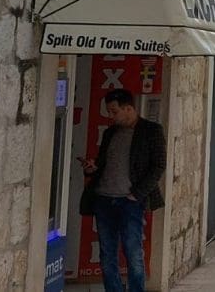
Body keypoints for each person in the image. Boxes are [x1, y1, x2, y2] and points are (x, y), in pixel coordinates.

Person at [79, 89, 166, 292]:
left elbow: (159, 165)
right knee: (107, 253)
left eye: (114, 111)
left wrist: (137, 194)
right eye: (109, 111)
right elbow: (102, 162)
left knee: (133, 252)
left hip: (130, 201)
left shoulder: (151, 131)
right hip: (104, 199)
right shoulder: (110, 133)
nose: (111, 116)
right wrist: (92, 168)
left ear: (128, 109)